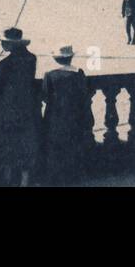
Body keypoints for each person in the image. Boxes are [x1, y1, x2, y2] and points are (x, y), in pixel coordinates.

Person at [0, 27, 39, 187]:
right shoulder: (31, 59)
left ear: (11, 44)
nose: (2, 44)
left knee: (7, 144)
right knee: (25, 144)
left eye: (4, 42)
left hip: (7, 110)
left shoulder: (4, 64)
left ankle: (8, 178)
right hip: (27, 108)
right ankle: (25, 181)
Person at [42, 45, 93, 185]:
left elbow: (45, 96)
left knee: (56, 147)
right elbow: (84, 95)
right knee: (73, 145)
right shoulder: (79, 73)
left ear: (57, 59)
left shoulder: (50, 74)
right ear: (71, 58)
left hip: (55, 116)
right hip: (75, 116)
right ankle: (72, 176)